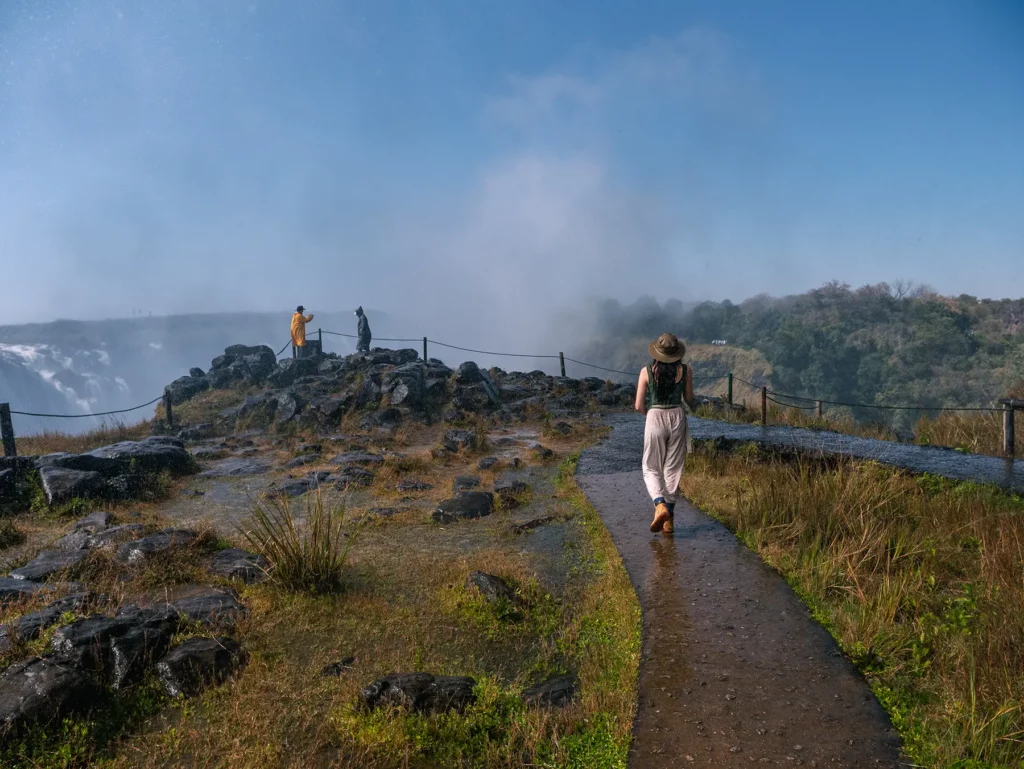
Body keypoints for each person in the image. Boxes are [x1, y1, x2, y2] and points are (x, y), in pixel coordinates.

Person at [634, 332, 694, 535]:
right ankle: (669, 521)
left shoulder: (646, 371)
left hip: (655, 416)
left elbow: (638, 405)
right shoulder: (685, 370)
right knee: (672, 469)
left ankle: (659, 505)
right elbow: (689, 398)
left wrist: (650, 415)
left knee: (651, 467)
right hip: (677, 416)